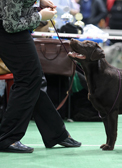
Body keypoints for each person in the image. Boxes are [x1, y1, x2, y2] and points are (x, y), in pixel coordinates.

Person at [0, 0, 81, 153]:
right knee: (28, 80)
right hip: (10, 33)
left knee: (33, 80)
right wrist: (39, 15)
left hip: (13, 33)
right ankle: (7, 138)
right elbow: (10, 24)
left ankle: (57, 133)